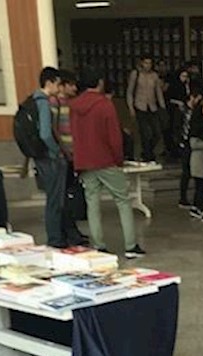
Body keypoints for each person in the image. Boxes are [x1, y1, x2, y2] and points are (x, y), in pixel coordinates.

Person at [71, 67, 145, 258]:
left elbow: (73, 135)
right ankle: (130, 246)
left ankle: (98, 245)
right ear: (99, 82)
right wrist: (119, 159)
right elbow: (114, 137)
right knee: (122, 200)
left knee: (92, 202)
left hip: (85, 162)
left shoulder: (74, 106)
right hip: (106, 159)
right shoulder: (104, 104)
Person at [48, 69, 88, 246]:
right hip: (64, 154)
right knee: (63, 196)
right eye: (71, 84)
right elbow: (54, 128)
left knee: (69, 195)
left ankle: (72, 232)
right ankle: (62, 234)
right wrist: (62, 150)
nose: (74, 87)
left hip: (73, 154)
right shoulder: (54, 102)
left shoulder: (72, 103)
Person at [32, 66, 67, 248]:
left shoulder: (33, 99)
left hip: (39, 156)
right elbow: (45, 133)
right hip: (49, 158)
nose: (59, 88)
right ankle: (55, 239)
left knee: (51, 198)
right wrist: (56, 151)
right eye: (58, 83)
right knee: (54, 200)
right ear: (49, 82)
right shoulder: (44, 103)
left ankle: (56, 237)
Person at [126, 55, 166, 163]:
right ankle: (147, 154)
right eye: (146, 63)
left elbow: (158, 92)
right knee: (145, 133)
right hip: (140, 105)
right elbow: (130, 92)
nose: (148, 65)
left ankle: (148, 150)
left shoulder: (154, 76)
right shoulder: (136, 74)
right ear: (141, 63)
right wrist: (131, 107)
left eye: (150, 63)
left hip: (152, 106)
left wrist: (163, 107)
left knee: (157, 132)